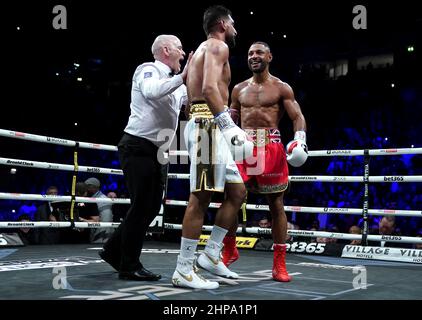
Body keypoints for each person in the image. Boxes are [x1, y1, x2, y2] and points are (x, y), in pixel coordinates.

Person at [99, 34, 191, 281]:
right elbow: (151, 93)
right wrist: (183, 78)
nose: (183, 54)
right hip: (138, 145)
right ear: (165, 49)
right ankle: (129, 265)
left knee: (150, 207)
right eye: (179, 49)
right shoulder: (148, 69)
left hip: (160, 150)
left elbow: (189, 108)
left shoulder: (178, 83)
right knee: (141, 205)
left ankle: (111, 250)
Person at [171, 5, 248, 290]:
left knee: (237, 191)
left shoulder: (203, 49)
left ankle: (211, 254)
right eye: (233, 23)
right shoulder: (217, 46)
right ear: (223, 24)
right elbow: (208, 90)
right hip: (208, 124)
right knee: (201, 197)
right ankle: (183, 269)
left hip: (207, 122)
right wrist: (228, 126)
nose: (236, 29)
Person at [221, 41, 308, 282]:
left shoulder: (282, 88)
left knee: (276, 205)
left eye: (259, 52)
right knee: (230, 199)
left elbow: (297, 116)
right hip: (243, 147)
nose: (254, 56)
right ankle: (229, 249)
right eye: (250, 53)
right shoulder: (238, 89)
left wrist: (300, 141)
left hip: (270, 146)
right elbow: (232, 118)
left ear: (269, 56)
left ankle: (279, 263)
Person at [85, 177, 114, 243]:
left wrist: (100, 236)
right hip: (97, 229)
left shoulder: (102, 199)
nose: (85, 189)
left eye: (87, 186)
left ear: (94, 187)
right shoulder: (93, 197)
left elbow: (106, 219)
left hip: (102, 234)